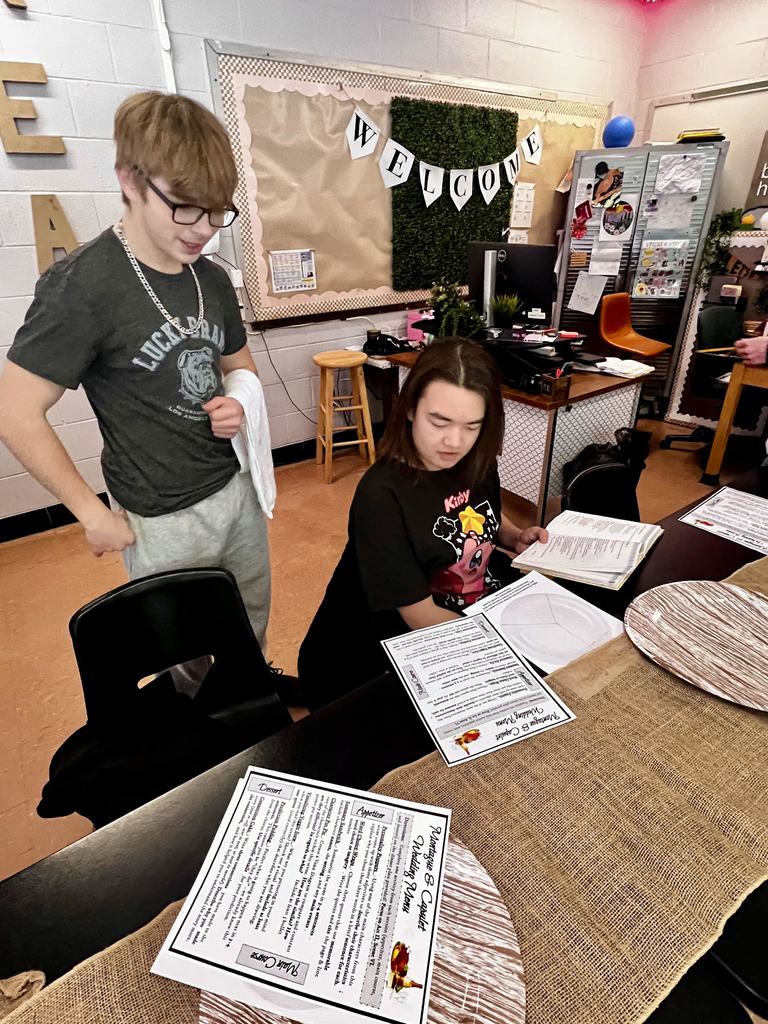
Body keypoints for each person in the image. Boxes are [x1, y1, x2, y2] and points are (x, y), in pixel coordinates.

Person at [0, 92, 274, 656]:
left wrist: (239, 400)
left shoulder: (213, 278)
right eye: (184, 206)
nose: (204, 229)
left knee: (249, 622)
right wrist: (89, 513)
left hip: (236, 488)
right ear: (129, 179)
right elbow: (14, 409)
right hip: (160, 515)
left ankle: (255, 707)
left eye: (218, 210)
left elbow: (239, 365)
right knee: (184, 653)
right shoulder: (84, 285)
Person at [298, 337, 548, 709]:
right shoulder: (381, 495)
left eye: (471, 425)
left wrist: (513, 535)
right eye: (440, 421)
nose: (454, 441)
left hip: (461, 620)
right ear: (411, 407)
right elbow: (420, 615)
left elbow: (480, 516)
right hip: (368, 663)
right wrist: (507, 653)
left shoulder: (475, 459)